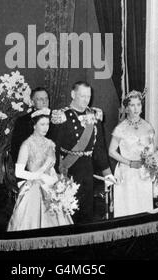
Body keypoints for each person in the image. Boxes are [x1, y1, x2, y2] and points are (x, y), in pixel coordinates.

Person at [50, 81, 114, 224]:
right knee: (68, 212)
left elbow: (100, 148)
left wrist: (107, 173)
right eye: (82, 96)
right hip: (68, 171)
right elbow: (54, 147)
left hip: (87, 170)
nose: (86, 100)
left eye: (88, 96)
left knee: (87, 212)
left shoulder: (94, 116)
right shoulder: (62, 116)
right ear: (73, 94)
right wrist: (56, 175)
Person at [7, 108, 73, 231]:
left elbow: (53, 167)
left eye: (47, 124)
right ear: (34, 126)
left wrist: (58, 182)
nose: (45, 128)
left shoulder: (50, 144)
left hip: (51, 187)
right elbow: (19, 172)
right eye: (42, 124)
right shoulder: (27, 145)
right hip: (34, 188)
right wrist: (41, 176)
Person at [109, 90, 154, 218]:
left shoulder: (147, 126)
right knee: (129, 209)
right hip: (127, 172)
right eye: (132, 105)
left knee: (144, 209)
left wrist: (152, 165)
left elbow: (152, 150)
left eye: (138, 104)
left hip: (143, 173)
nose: (136, 109)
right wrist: (129, 163)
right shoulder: (121, 128)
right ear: (127, 107)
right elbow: (111, 151)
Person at [10, 87, 50, 164]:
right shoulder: (23, 121)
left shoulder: (55, 119)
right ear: (32, 102)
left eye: (46, 98)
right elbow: (16, 149)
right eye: (40, 99)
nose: (44, 102)